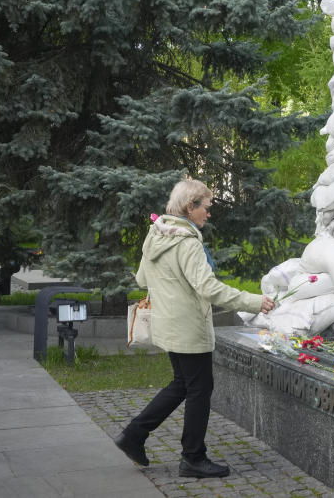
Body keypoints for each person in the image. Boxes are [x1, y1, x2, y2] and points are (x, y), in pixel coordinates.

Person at [114, 179, 275, 479]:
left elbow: (141, 280)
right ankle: (192, 458)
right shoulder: (187, 242)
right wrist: (254, 301)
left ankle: (134, 435)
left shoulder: (157, 233)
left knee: (182, 384)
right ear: (191, 207)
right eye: (206, 208)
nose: (209, 214)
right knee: (200, 390)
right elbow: (208, 287)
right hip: (189, 329)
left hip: (168, 324)